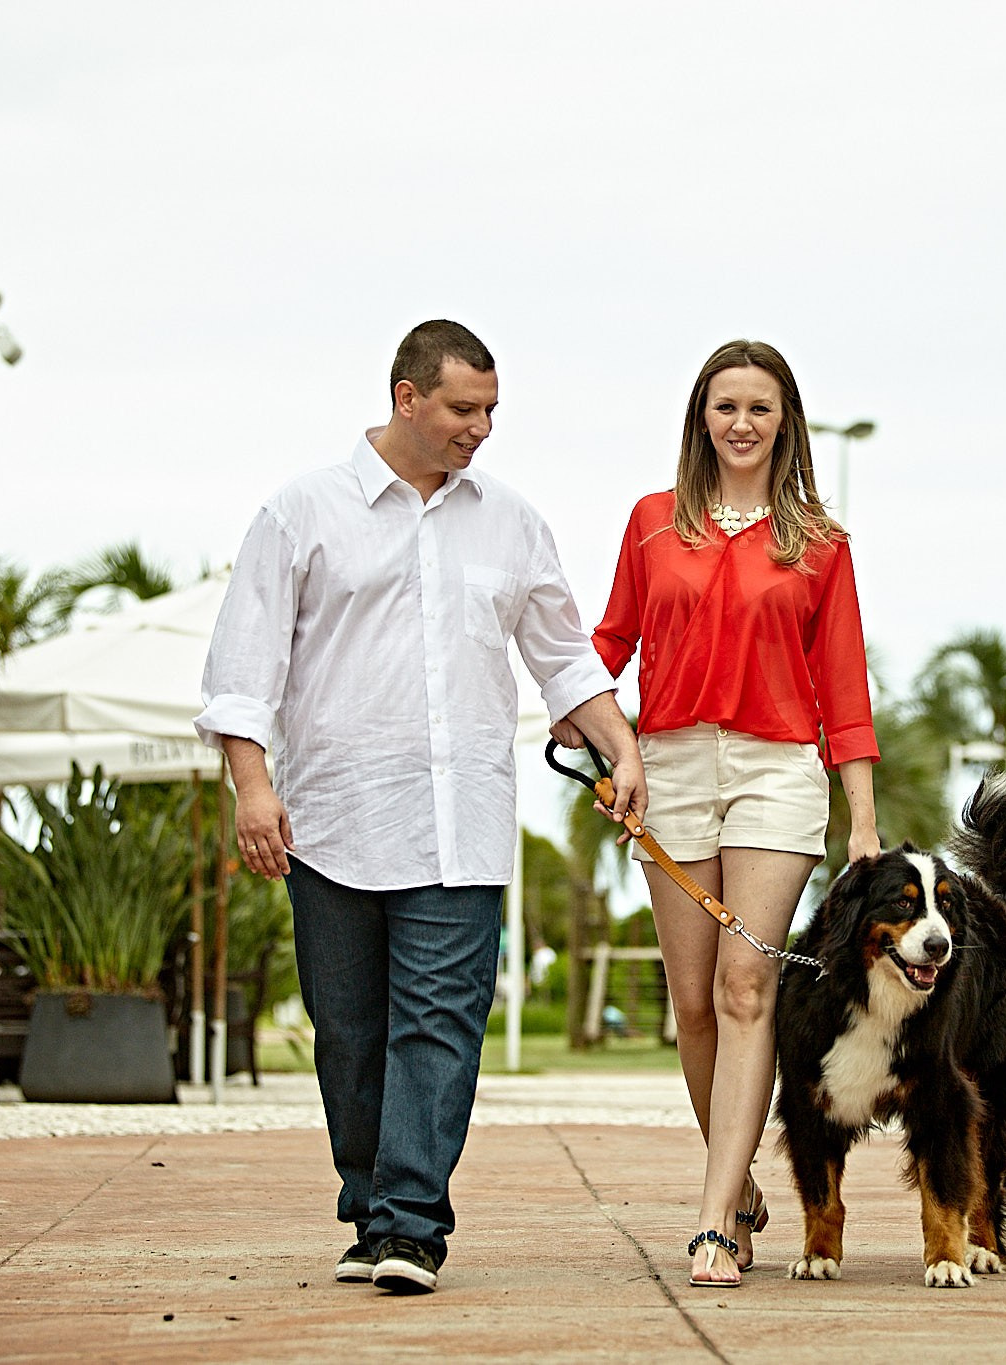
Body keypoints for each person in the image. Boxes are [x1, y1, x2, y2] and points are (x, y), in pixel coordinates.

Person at [196, 320, 645, 1296]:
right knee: (349, 1034)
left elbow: (562, 654)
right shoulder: (300, 512)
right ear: (407, 398)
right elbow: (243, 664)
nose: (479, 427)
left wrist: (619, 739)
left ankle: (409, 1226)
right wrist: (253, 786)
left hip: (462, 827)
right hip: (334, 822)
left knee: (438, 1027)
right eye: (461, 408)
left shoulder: (513, 522)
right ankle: (369, 1207)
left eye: (490, 410)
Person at [564, 339, 879, 1288]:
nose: (742, 424)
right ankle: (736, 1183)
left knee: (749, 987)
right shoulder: (654, 523)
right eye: (725, 406)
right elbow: (603, 648)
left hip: (778, 770)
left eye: (761, 408)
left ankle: (712, 1221)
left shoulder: (821, 543)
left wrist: (860, 822)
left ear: (787, 423)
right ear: (701, 417)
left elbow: (845, 690)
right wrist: (611, 752)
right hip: (669, 764)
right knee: (693, 1002)